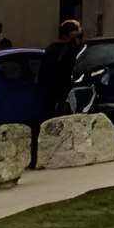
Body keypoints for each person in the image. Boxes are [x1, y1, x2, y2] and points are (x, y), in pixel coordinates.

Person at [36, 17, 83, 156]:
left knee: (49, 115)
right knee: (61, 115)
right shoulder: (71, 49)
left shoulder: (51, 47)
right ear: (71, 33)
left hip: (49, 87)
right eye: (77, 30)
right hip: (63, 88)